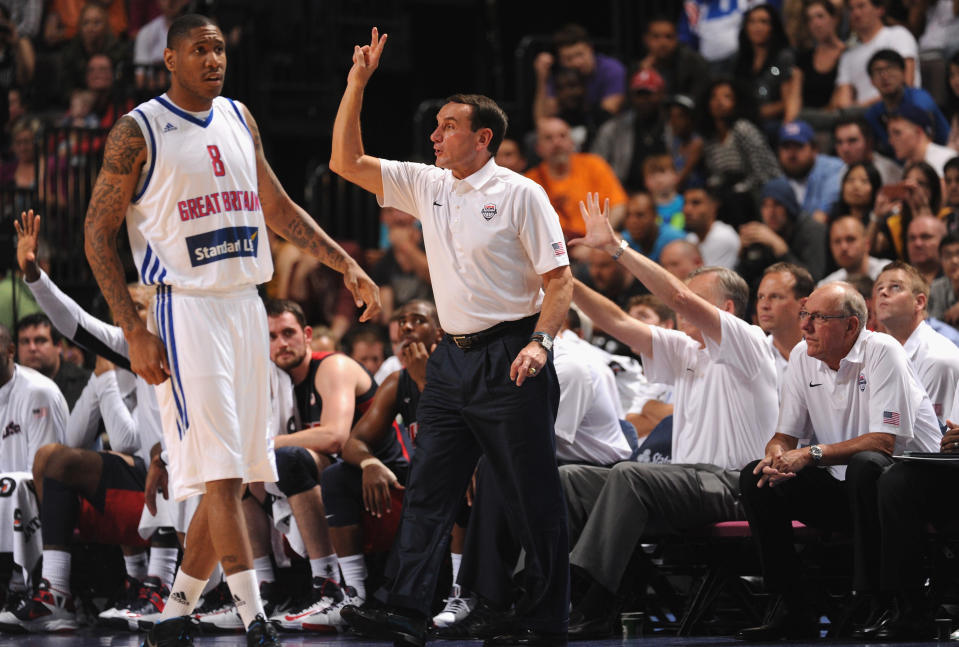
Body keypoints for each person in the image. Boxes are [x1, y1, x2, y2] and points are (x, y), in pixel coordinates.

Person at [82, 14, 380, 647]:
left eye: (218, 48)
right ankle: (255, 616)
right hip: (183, 307)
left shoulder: (241, 117)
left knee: (243, 468)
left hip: (247, 303)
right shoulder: (139, 130)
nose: (213, 58)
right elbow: (95, 233)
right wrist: (134, 329)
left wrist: (344, 260)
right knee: (221, 473)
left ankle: (173, 613)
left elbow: (277, 206)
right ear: (169, 58)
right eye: (199, 49)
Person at [329, 28, 573, 647]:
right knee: (430, 487)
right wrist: (357, 84)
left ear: (482, 137)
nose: (434, 136)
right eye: (435, 126)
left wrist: (540, 344)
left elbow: (560, 282)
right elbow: (345, 162)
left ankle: (544, 619)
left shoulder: (522, 194)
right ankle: (407, 609)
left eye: (447, 126)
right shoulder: (428, 185)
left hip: (513, 352)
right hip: (451, 361)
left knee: (529, 496)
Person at [561, 193, 779, 638]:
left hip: (733, 483)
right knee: (569, 480)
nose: (680, 308)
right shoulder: (685, 348)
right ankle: (543, 588)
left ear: (727, 310)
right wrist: (559, 278)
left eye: (693, 302)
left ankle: (597, 600)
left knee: (629, 475)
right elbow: (618, 322)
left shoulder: (749, 343)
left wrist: (616, 249)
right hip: (683, 484)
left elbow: (674, 293)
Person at [737, 282, 940, 642]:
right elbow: (786, 436)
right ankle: (794, 605)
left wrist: (811, 454)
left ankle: (884, 602)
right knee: (757, 478)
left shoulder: (882, 351)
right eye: (805, 315)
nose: (805, 326)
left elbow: (884, 442)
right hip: (849, 491)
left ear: (851, 326)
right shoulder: (802, 357)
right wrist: (777, 455)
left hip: (907, 494)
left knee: (867, 464)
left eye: (818, 318)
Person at [318, 300, 439, 630]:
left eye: (418, 320)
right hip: (419, 472)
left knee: (431, 480)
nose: (408, 327)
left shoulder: (457, 371)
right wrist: (370, 462)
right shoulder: (396, 380)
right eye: (402, 321)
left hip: (457, 473)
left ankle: (457, 596)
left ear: (439, 334)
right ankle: (356, 593)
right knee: (338, 477)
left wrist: (424, 382)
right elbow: (353, 442)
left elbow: (448, 440)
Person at [874, 261, 959, 425]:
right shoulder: (876, 350)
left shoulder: (938, 357)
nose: (883, 292)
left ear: (919, 302)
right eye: (879, 288)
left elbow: (934, 438)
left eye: (896, 287)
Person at [525, 116, 627, 245]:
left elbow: (619, 206)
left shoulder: (594, 165)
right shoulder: (529, 181)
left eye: (562, 136)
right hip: (554, 248)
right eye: (548, 138)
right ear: (538, 148)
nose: (557, 143)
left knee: (620, 241)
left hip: (596, 243)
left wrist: (598, 237)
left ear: (572, 142)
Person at [700, 78, 780, 226]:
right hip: (729, 193)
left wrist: (739, 189)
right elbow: (716, 175)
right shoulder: (710, 139)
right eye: (714, 97)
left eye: (727, 97)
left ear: (737, 102)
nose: (719, 102)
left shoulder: (743, 129)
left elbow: (763, 172)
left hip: (757, 191)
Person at [590, 69, 668, 192]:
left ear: (661, 94)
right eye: (639, 95)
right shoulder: (613, 129)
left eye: (648, 94)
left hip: (667, 194)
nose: (643, 100)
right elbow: (594, 167)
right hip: (623, 195)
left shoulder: (672, 126)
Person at [532, 23, 626, 124]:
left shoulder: (612, 70)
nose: (576, 62)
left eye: (580, 54)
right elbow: (542, 121)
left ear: (590, 48)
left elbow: (607, 116)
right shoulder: (558, 75)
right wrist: (542, 78)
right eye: (568, 58)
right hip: (568, 130)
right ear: (560, 60)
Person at [738, 177, 827, 283]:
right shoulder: (764, 233)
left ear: (789, 207)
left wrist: (781, 249)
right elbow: (747, 282)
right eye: (765, 205)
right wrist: (742, 254)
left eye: (777, 205)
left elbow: (813, 279)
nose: (770, 213)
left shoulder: (812, 230)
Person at [833, 0, 920, 108]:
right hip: (859, 118)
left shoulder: (898, 35)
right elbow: (843, 101)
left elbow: (906, 85)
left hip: (899, 109)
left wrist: (861, 108)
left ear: (879, 10)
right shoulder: (847, 56)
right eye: (851, 9)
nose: (856, 13)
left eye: (861, 6)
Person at [864, 49, 949, 155]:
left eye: (890, 68)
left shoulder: (919, 101)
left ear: (904, 73)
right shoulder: (873, 114)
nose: (884, 76)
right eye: (878, 71)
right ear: (871, 81)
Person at [733, 4, 799, 132]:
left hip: (774, 123)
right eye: (752, 22)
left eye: (763, 22)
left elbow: (787, 102)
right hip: (744, 123)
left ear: (773, 27)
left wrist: (755, 114)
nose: (757, 27)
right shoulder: (740, 60)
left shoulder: (784, 57)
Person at [15, 313, 90, 410]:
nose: (32, 348)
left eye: (40, 340)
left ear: (59, 346)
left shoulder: (86, 385)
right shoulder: (9, 389)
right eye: (25, 342)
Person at [776, 120, 844, 222]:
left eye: (798, 146)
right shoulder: (779, 180)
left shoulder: (833, 168)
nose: (791, 154)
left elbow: (820, 219)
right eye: (786, 147)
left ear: (814, 149)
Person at [638, 15, 709, 102]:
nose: (663, 43)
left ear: (677, 38)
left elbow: (697, 100)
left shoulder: (694, 63)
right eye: (656, 37)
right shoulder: (640, 67)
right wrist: (642, 76)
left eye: (668, 37)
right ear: (646, 39)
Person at [795, 0, 844, 112]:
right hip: (805, 119)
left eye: (820, 16)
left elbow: (838, 102)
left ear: (834, 19)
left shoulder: (847, 55)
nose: (816, 24)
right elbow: (794, 97)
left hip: (834, 119)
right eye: (810, 19)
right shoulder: (803, 57)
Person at [886, 104, 957, 177]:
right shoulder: (908, 165)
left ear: (919, 132)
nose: (890, 141)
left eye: (897, 133)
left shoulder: (946, 158)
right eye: (890, 135)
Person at [618, 189, 685, 263]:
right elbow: (616, 252)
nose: (632, 221)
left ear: (655, 216)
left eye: (640, 215)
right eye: (628, 215)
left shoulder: (674, 239)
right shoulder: (625, 240)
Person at [832, 117, 902, 187]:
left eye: (852, 140)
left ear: (869, 142)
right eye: (839, 142)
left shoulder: (888, 172)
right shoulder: (843, 171)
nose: (845, 149)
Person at [683, 186, 739, 269]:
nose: (687, 210)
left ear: (713, 206)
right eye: (685, 203)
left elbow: (709, 279)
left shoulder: (723, 236)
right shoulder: (690, 239)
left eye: (696, 203)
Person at [820, 216, 887, 285]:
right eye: (837, 241)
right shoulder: (828, 285)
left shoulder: (888, 274)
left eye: (850, 239)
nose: (844, 247)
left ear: (867, 244)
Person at [905, 215, 946, 285]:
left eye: (925, 237)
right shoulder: (899, 280)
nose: (918, 244)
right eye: (912, 238)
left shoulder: (954, 280)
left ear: (943, 241)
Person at [929, 233, 959, 323]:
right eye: (948, 256)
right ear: (941, 261)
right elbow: (935, 325)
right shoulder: (936, 287)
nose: (954, 260)